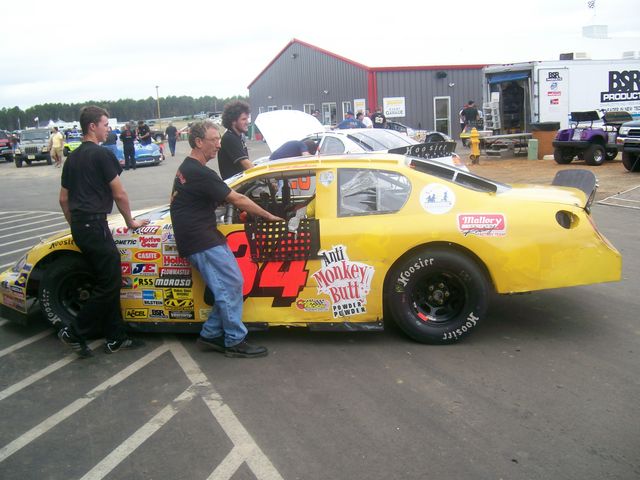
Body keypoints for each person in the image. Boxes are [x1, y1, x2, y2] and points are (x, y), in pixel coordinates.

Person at [170, 120, 283, 358]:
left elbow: (197, 198)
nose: (219, 145)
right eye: (214, 140)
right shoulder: (199, 172)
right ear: (199, 142)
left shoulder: (188, 169)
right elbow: (238, 199)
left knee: (229, 286)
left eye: (219, 140)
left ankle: (210, 335)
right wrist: (269, 215)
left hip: (200, 236)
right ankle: (234, 341)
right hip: (201, 239)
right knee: (231, 285)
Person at [58, 105, 148, 358]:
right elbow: (119, 192)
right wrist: (130, 221)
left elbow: (64, 199)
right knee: (110, 283)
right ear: (92, 127)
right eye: (106, 125)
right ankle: (74, 331)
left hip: (82, 226)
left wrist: (74, 222)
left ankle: (116, 337)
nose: (108, 129)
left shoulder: (72, 157)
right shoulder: (102, 155)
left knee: (105, 281)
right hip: (94, 225)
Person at [218, 101, 252, 180]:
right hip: (238, 187)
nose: (247, 122)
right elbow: (246, 164)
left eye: (247, 119)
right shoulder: (230, 138)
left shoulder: (237, 137)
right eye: (243, 119)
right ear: (233, 121)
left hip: (243, 183)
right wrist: (263, 177)